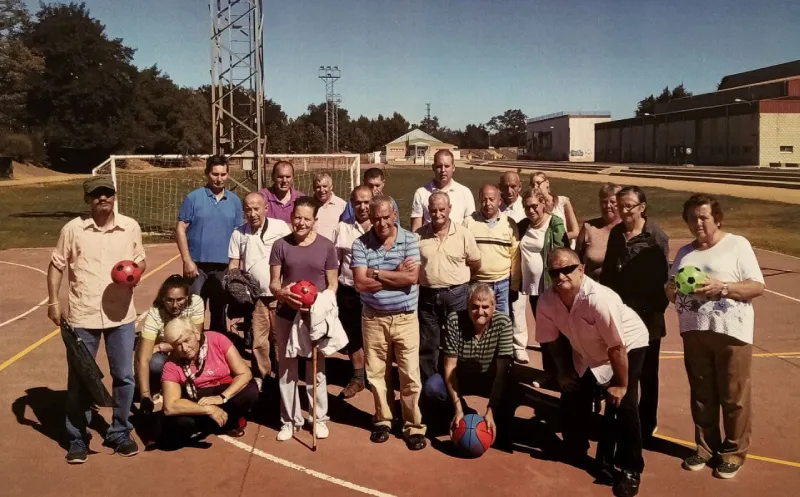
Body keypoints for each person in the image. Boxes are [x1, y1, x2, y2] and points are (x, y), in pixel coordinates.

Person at [47, 175, 147, 464]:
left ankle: (119, 433)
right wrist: (54, 301)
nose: (102, 198)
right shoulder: (73, 229)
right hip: (82, 316)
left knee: (124, 377)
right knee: (80, 380)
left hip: (121, 316)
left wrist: (136, 272)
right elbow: (56, 266)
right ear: (87, 199)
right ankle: (77, 437)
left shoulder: (130, 227)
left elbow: (140, 259)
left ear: (114, 196)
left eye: (107, 193)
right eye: (96, 194)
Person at [666, 194, 765, 479]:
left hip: (731, 332)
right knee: (702, 393)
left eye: (704, 217)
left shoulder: (737, 245)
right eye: (692, 218)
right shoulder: (685, 253)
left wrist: (721, 287)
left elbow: (757, 287)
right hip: (694, 330)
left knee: (734, 395)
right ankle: (705, 447)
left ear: (717, 218)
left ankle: (733, 451)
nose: (698, 223)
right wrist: (674, 291)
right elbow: (671, 289)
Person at [536, 248, 649, 497]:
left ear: (581, 269)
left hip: (627, 343)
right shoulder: (546, 301)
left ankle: (631, 467)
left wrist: (620, 384)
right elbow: (551, 341)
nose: (560, 275)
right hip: (587, 349)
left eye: (567, 269)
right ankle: (578, 445)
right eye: (554, 271)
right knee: (574, 390)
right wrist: (563, 372)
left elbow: (617, 347)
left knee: (625, 403)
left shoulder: (598, 298)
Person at [352, 196, 427, 451]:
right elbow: (360, 283)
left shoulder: (409, 239)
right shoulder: (360, 243)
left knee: (409, 375)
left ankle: (413, 426)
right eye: (375, 218)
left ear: (395, 215)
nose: (381, 223)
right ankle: (383, 419)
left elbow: (413, 277)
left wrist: (376, 272)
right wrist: (396, 274)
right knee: (376, 373)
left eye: (386, 217)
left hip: (406, 317)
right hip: (373, 318)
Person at [601, 186, 670, 442]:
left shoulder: (656, 236)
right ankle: (622, 416)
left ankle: (647, 422)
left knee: (647, 373)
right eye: (620, 206)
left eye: (629, 205)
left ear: (642, 207)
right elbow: (609, 271)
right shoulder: (617, 233)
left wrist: (651, 311)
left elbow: (662, 281)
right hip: (620, 315)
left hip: (648, 316)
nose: (623, 210)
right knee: (620, 369)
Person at [269, 197, 339, 441]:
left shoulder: (327, 247)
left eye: (306, 219)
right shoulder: (280, 245)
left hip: (314, 316)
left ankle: (319, 418)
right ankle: (289, 420)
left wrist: (319, 304)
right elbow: (274, 283)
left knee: (315, 369)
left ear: (314, 221)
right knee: (287, 370)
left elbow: (332, 284)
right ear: (291, 217)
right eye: (297, 217)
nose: (301, 222)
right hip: (287, 314)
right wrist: (283, 294)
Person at [160, 318, 258, 447]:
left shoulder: (217, 339)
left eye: (186, 340)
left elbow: (245, 373)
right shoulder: (171, 364)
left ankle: (229, 420)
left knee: (250, 391)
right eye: (177, 344)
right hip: (198, 400)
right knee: (179, 422)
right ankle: (213, 421)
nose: (184, 348)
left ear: (196, 334)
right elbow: (170, 406)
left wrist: (222, 397)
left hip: (224, 392)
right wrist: (208, 409)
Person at [416, 192, 482, 382]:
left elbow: (475, 263)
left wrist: (461, 279)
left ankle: (458, 379)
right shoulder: (419, 236)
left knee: (458, 338)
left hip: (457, 294)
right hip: (428, 296)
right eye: (434, 210)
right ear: (428, 211)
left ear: (450, 209)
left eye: (442, 209)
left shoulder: (463, 234)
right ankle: (431, 382)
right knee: (429, 341)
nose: (438, 214)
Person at [228, 192, 292, 386]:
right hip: (256, 299)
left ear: (265, 208)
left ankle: (284, 377)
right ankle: (263, 378)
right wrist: (236, 286)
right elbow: (233, 265)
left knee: (281, 339)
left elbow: (292, 254)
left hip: (279, 294)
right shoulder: (238, 233)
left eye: (256, 208)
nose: (253, 213)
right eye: (248, 209)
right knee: (259, 341)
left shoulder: (280, 227)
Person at [176, 155, 243, 333]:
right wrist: (187, 260)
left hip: (223, 267)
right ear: (207, 174)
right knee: (194, 310)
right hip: (197, 267)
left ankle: (217, 351)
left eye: (223, 174)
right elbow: (180, 228)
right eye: (215, 174)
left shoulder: (235, 201)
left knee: (219, 311)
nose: (219, 178)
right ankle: (191, 352)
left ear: (228, 175)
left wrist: (235, 264)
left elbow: (239, 234)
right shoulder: (193, 198)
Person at [443, 283, 514, 447]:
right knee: (433, 388)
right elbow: (449, 367)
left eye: (485, 307)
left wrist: (491, 410)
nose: (480, 312)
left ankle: (500, 424)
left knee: (513, 389)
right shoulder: (454, 320)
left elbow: (503, 371)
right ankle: (461, 414)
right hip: (461, 376)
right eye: (474, 307)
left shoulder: (503, 323)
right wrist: (457, 407)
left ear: (494, 307)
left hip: (488, 378)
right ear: (467, 306)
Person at [136, 275, 204, 412]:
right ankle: (159, 385)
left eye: (180, 299)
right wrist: (144, 396)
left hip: (187, 351)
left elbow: (197, 339)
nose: (174, 305)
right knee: (153, 362)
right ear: (163, 299)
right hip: (168, 357)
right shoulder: (155, 313)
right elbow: (142, 358)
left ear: (187, 297)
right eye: (170, 300)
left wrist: (162, 346)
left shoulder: (196, 303)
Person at [332, 185, 374, 398]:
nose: (363, 207)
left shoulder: (384, 226)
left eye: (367, 202)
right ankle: (358, 377)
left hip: (376, 293)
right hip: (349, 290)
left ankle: (376, 377)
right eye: (358, 202)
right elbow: (335, 263)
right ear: (351, 203)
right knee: (353, 336)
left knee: (376, 336)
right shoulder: (342, 228)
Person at [463, 184, 520, 314]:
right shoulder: (468, 223)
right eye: (483, 200)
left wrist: (514, 285)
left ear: (499, 201)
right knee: (477, 322)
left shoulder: (509, 224)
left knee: (502, 322)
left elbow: (515, 256)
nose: (487, 203)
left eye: (491, 199)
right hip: (476, 283)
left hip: (502, 284)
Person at [499, 171, 530, 364]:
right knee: (502, 306)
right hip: (501, 262)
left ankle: (519, 346)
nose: (509, 191)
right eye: (505, 187)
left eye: (513, 186)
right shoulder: (496, 206)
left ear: (519, 187)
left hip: (521, 263)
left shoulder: (524, 208)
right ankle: (501, 343)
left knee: (518, 306)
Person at [410, 149, 475, 232]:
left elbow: (470, 227)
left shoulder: (465, 192)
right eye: (439, 166)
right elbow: (416, 230)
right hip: (430, 241)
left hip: (457, 242)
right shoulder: (421, 193)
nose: (443, 170)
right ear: (433, 167)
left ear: (453, 167)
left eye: (447, 166)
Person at [576, 183, 622, 280]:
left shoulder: (627, 228)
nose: (608, 206)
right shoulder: (588, 227)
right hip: (593, 288)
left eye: (613, 202)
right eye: (604, 202)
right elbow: (576, 260)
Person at [530, 171, 579, 244]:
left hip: (565, 247)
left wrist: (557, 239)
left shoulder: (563, 202)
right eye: (533, 185)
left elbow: (575, 232)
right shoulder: (535, 208)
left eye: (538, 183)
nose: (535, 187)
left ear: (547, 183)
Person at [312, 172, 347, 241]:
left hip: (333, 249)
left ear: (331, 187)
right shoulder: (309, 205)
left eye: (324, 186)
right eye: (318, 187)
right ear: (313, 188)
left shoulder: (342, 205)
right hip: (313, 248)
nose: (322, 190)